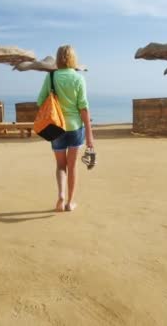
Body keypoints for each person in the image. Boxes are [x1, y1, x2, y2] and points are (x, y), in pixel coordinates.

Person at [37, 45, 94, 212]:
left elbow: (40, 101)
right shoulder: (78, 78)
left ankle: (61, 196)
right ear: (73, 59)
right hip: (76, 127)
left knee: (60, 165)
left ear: (58, 58)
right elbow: (83, 107)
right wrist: (90, 135)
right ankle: (70, 202)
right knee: (72, 166)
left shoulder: (51, 76)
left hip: (56, 128)